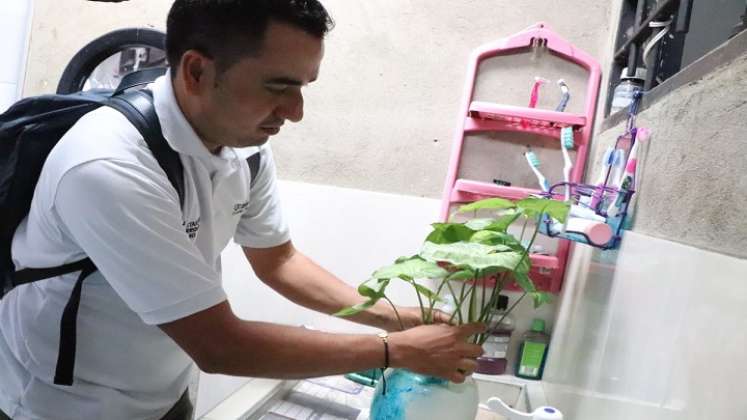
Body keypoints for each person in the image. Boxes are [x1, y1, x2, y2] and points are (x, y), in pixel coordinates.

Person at [0, 1, 484, 419]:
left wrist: (394, 317)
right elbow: (218, 343)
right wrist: (393, 350)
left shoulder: (243, 148)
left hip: (161, 394)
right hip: (65, 407)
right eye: (278, 87)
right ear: (196, 71)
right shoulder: (107, 164)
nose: (295, 111)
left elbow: (279, 262)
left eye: (304, 87)